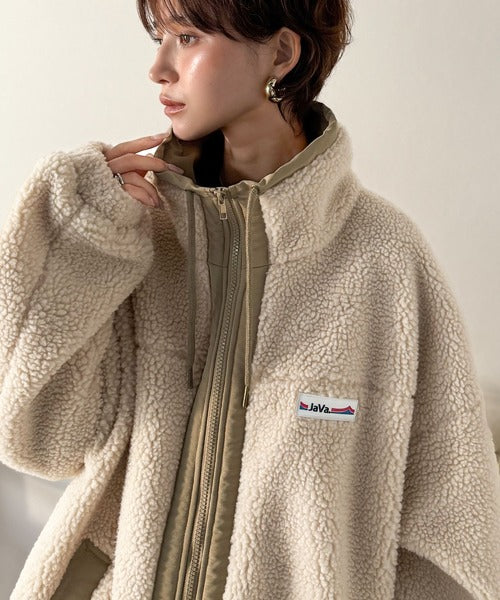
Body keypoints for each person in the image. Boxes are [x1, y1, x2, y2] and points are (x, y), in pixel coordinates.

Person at [1, 0, 500, 598]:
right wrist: (81, 240)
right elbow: (35, 439)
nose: (159, 68)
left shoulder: (384, 259)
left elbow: (453, 532)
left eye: (188, 37)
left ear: (281, 54)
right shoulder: (135, 234)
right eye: (159, 38)